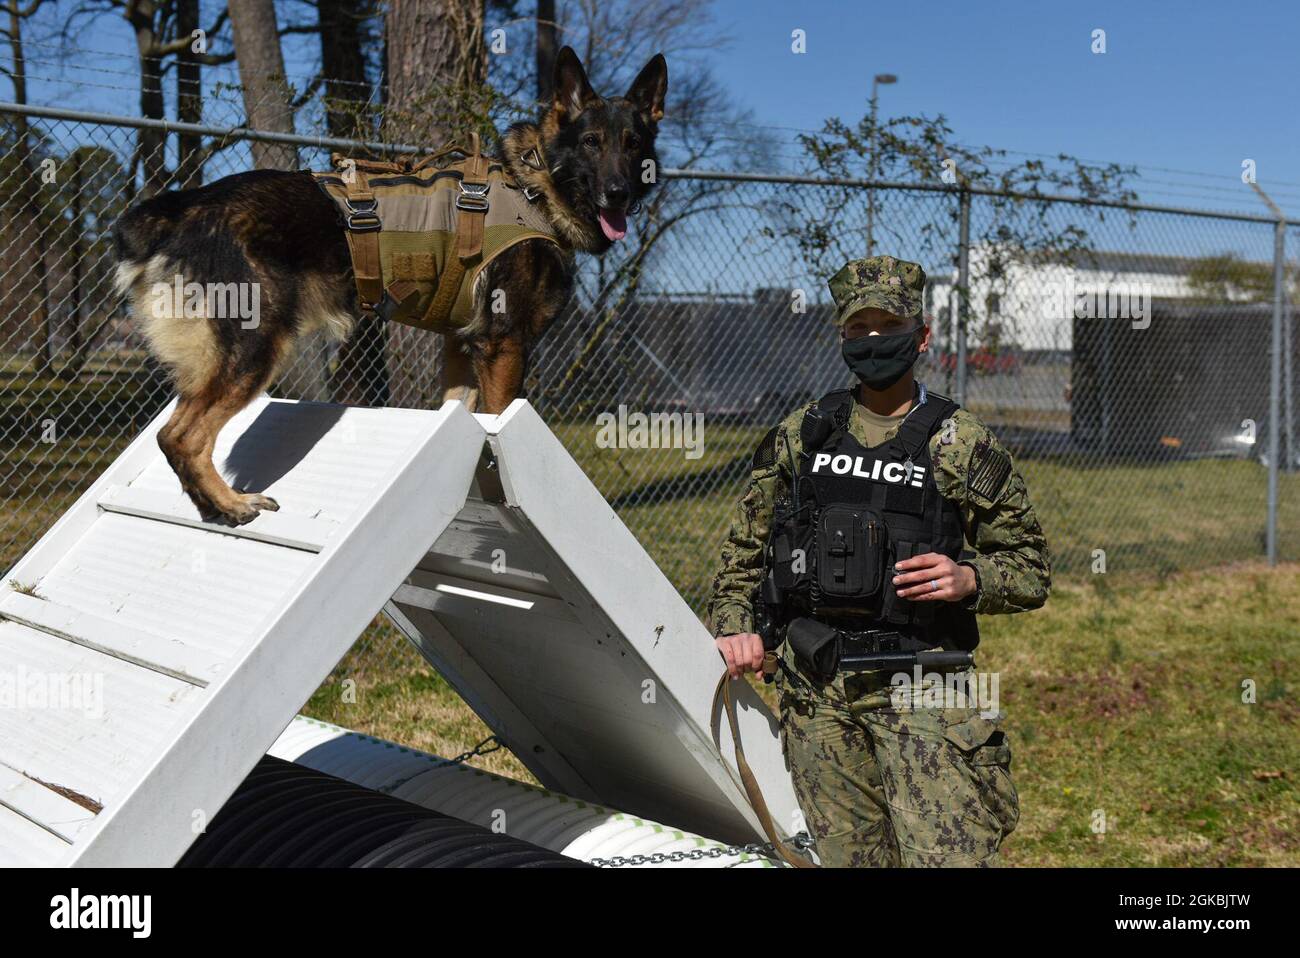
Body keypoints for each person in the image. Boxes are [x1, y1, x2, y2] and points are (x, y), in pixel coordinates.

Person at [708, 255, 1051, 867]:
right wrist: (737, 626)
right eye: (857, 329)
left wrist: (967, 578)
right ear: (841, 337)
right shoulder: (803, 433)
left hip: (921, 693)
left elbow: (1030, 568)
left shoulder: (958, 440)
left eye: (887, 327)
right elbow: (743, 550)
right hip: (816, 695)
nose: (872, 342)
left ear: (921, 336)